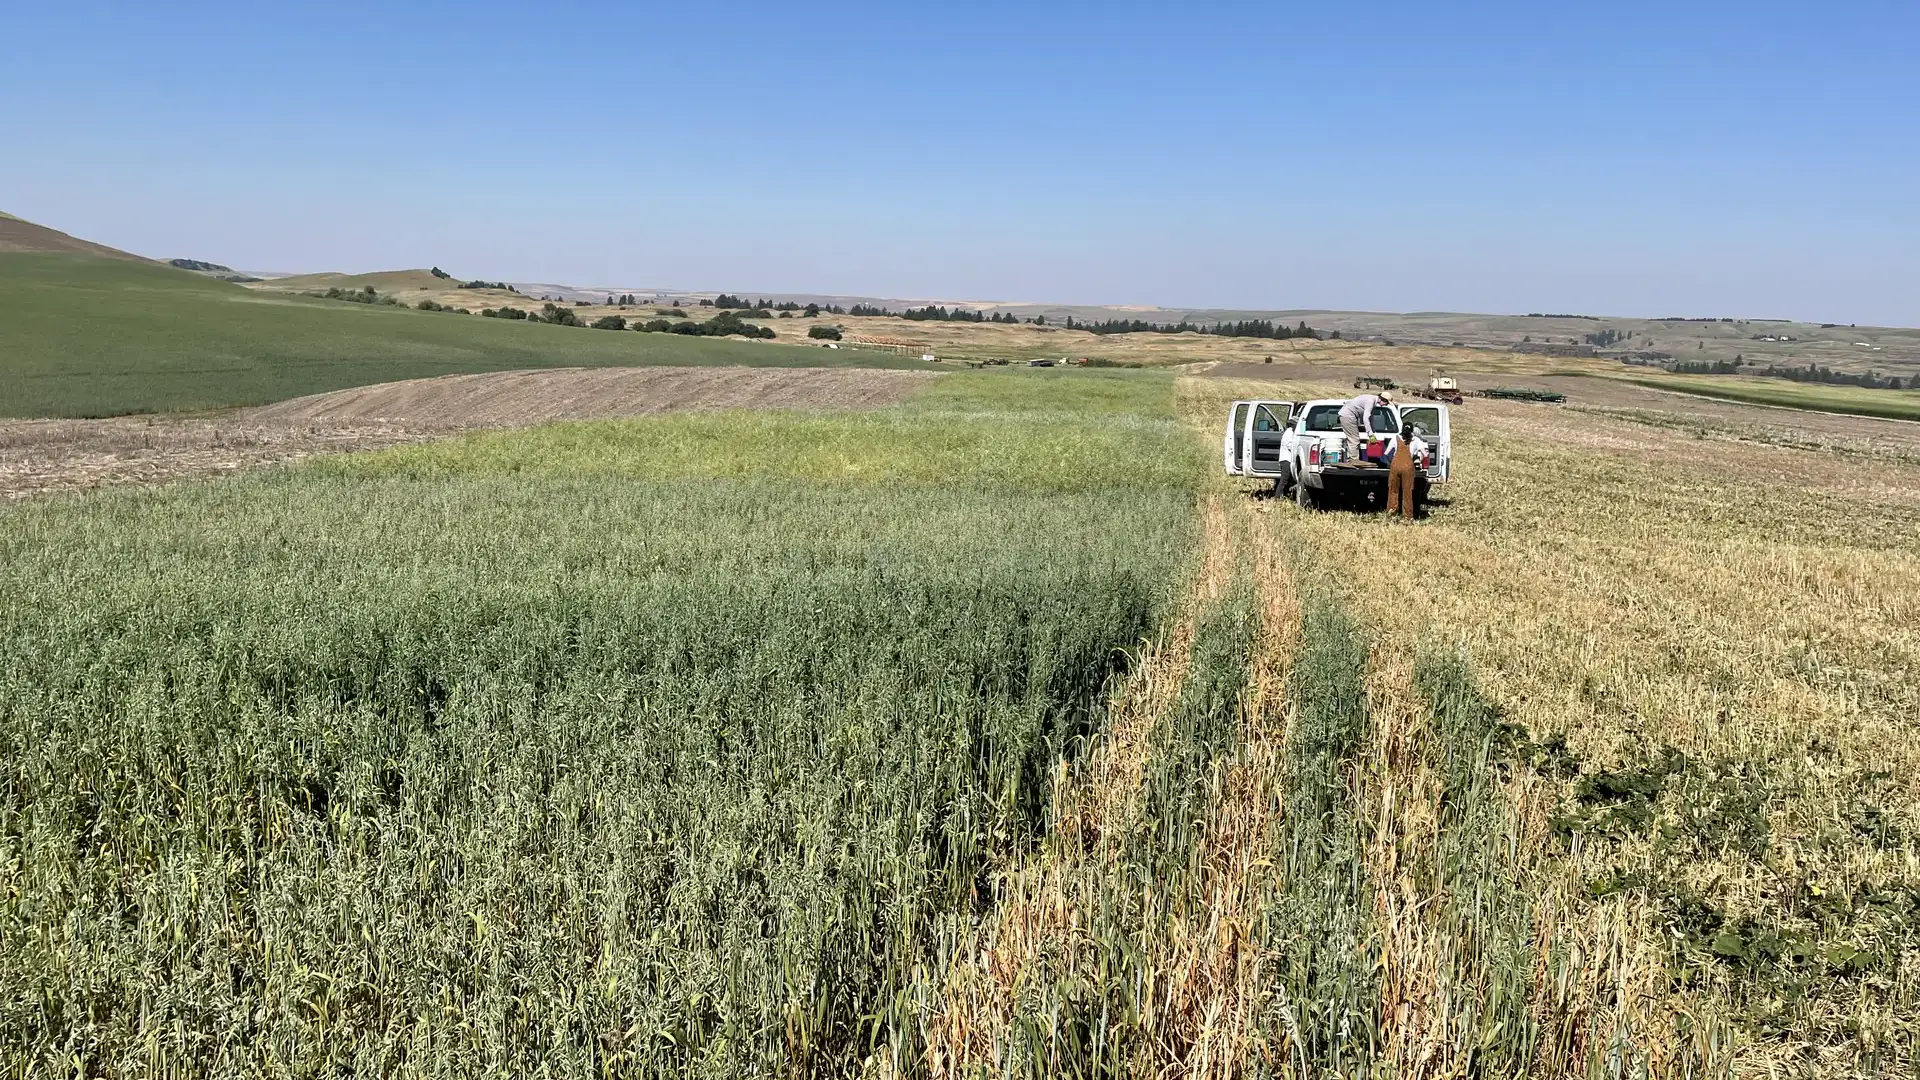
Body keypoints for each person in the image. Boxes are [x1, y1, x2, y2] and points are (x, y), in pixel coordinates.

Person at [1385, 419, 1427, 521]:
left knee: (1393, 490)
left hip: (1395, 466)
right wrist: (1417, 461)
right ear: (1412, 431)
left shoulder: (1395, 438)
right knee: (1407, 492)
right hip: (1408, 467)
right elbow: (1425, 455)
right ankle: (1408, 517)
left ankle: (1392, 514)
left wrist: (1392, 462)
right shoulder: (1416, 440)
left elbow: (1386, 453)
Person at [1338, 389, 1393, 461]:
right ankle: (1354, 460)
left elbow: (1371, 418)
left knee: (1353, 439)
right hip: (1347, 415)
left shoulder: (1372, 401)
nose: (1386, 405)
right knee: (1354, 439)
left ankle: (1353, 459)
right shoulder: (1370, 401)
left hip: (1349, 415)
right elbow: (1366, 419)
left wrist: (1373, 433)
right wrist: (1370, 434)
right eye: (1387, 403)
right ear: (1383, 399)